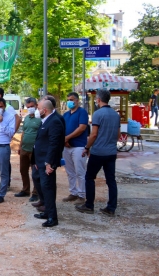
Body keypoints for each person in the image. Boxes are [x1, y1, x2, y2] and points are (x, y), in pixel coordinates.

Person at [75, 89, 120, 217]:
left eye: (96, 99)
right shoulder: (115, 115)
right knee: (111, 180)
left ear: (99, 100)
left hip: (98, 152)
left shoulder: (98, 114)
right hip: (111, 152)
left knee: (89, 177)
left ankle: (89, 205)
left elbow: (94, 134)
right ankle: (111, 207)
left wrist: (87, 147)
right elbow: (117, 135)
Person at [31, 99, 65, 227]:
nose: (36, 110)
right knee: (42, 186)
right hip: (40, 161)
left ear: (44, 110)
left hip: (47, 162)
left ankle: (52, 217)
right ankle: (46, 212)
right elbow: (39, 142)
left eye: (38, 107)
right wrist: (35, 160)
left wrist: (49, 162)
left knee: (48, 188)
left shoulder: (54, 121)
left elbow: (54, 144)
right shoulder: (45, 120)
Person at [0, 87, 20, 189]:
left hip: (4, 139)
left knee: (4, 163)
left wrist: (12, 134)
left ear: (0, 95)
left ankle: (6, 183)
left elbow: (17, 119)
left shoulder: (8, 108)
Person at [62, 92, 89, 205]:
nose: (70, 101)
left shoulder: (82, 112)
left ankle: (82, 194)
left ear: (77, 100)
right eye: (68, 99)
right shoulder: (66, 115)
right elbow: (62, 128)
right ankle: (73, 192)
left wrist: (67, 138)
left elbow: (82, 128)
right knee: (70, 172)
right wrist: (65, 141)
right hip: (67, 147)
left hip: (78, 146)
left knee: (80, 172)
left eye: (72, 99)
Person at [15, 97, 41, 201]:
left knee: (35, 172)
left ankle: (36, 192)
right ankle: (25, 190)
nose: (30, 108)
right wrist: (20, 146)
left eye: (32, 106)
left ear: (36, 106)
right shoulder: (26, 119)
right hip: (25, 148)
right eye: (28, 107)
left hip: (35, 150)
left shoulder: (40, 119)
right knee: (23, 170)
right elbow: (24, 133)